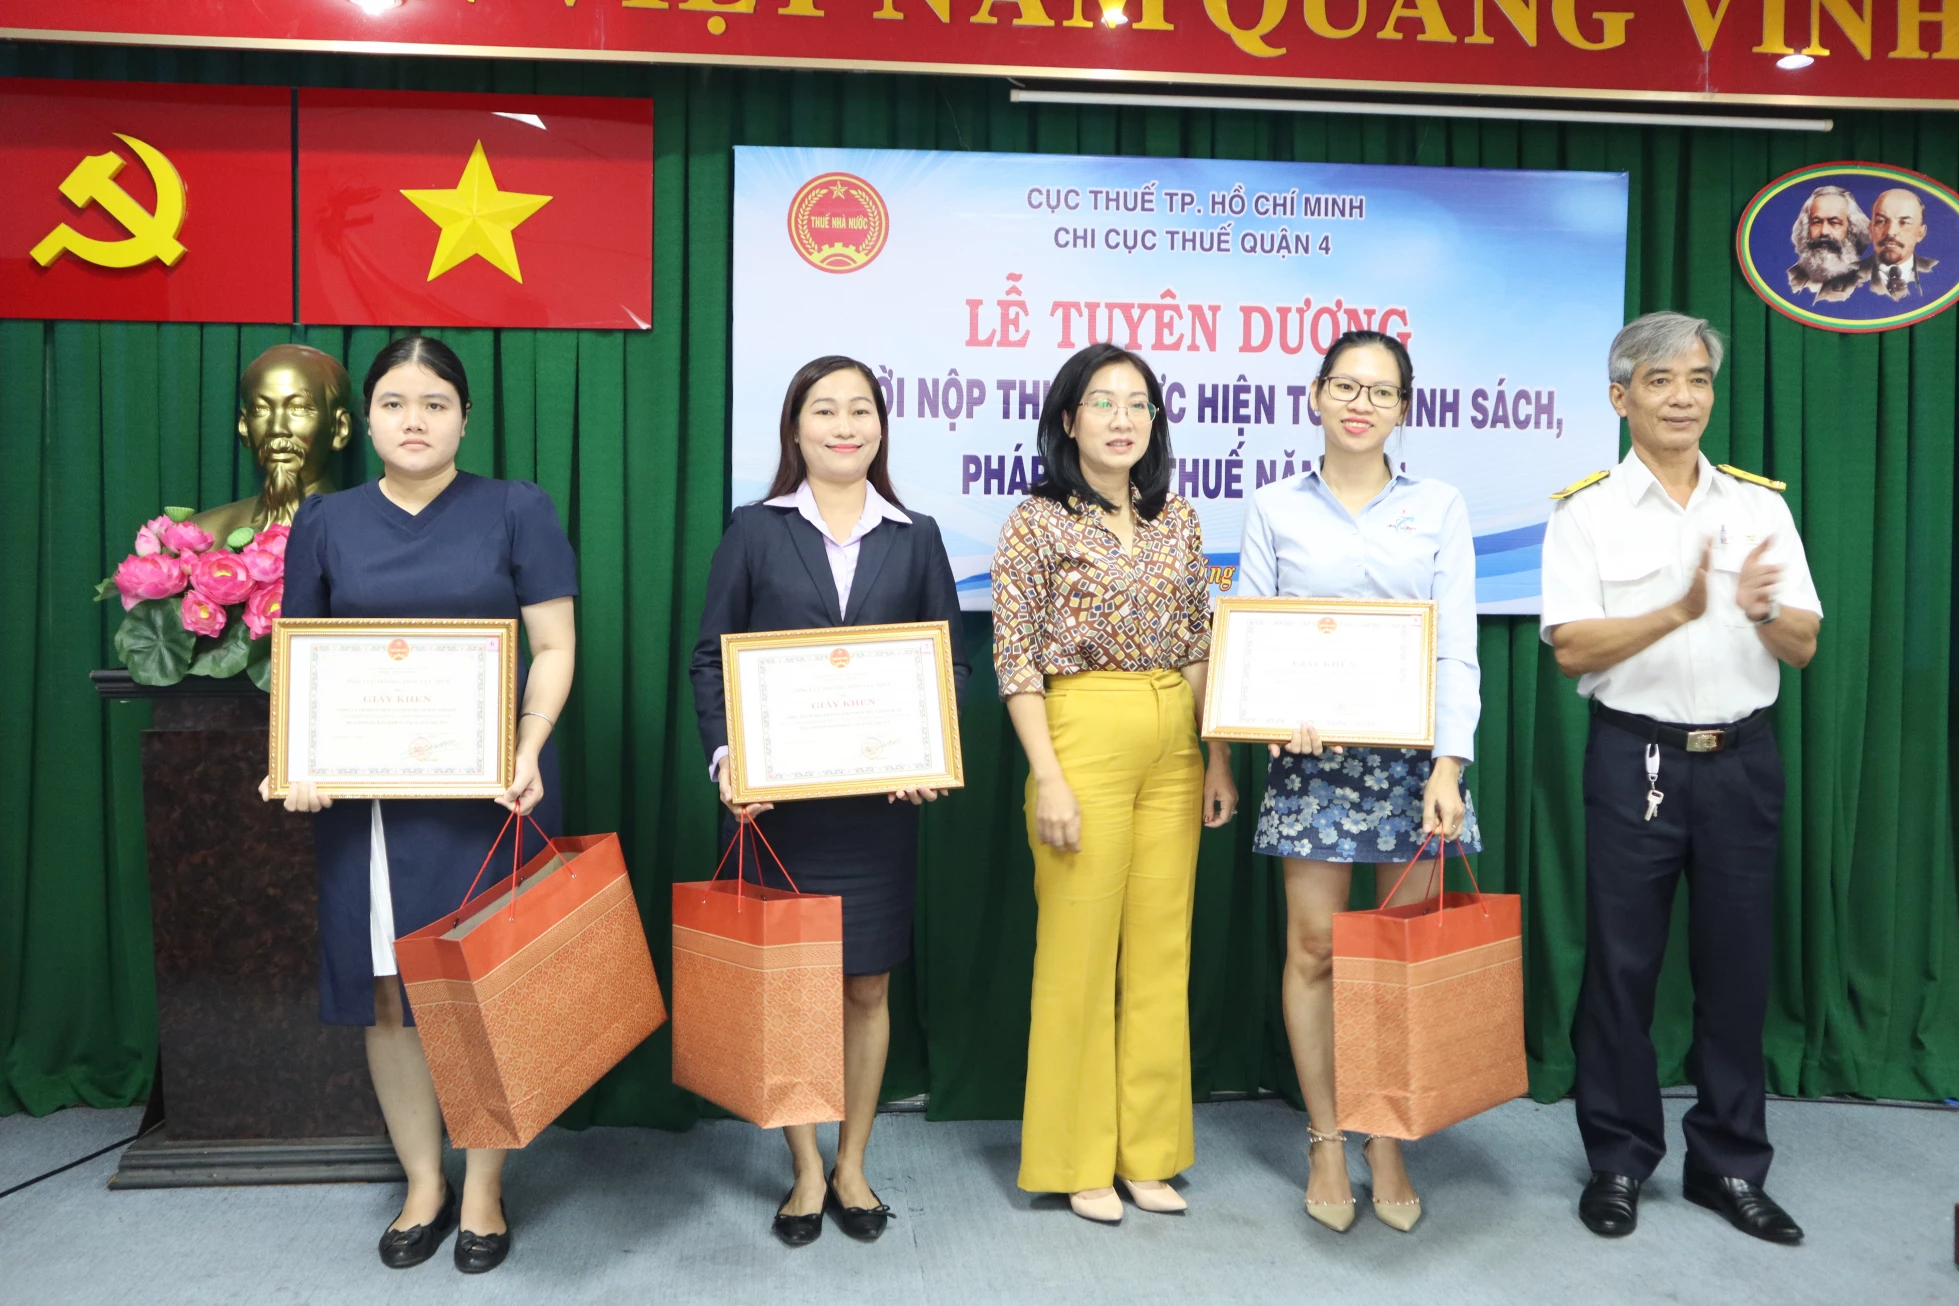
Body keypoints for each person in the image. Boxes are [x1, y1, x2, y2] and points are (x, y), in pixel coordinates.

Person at [265, 335, 579, 1275]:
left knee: (485, 990)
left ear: (465, 418)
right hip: (365, 803)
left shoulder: (516, 508)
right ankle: (423, 1182)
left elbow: (555, 647)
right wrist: (297, 758)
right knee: (390, 994)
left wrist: (524, 745)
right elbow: (300, 660)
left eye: (435, 403)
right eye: (396, 403)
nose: (415, 420)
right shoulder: (326, 521)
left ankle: (483, 1187)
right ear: (366, 421)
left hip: (490, 790)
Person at [1541, 311, 1821, 1246]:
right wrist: (1678, 609)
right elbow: (1571, 648)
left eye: (1697, 379)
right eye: (1659, 381)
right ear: (1619, 398)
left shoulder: (1758, 507)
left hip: (1742, 759)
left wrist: (1761, 607)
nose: (1682, 398)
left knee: (1736, 970)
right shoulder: (1584, 510)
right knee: (1622, 968)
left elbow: (1804, 644)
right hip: (1638, 759)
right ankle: (1617, 1161)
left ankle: (1729, 1167)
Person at [691, 355, 969, 1248]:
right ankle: (805, 1169)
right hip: (781, 810)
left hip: (878, 809)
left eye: (860, 410)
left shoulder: (915, 534)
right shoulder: (754, 530)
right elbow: (711, 658)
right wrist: (729, 759)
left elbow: (950, 662)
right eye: (824, 410)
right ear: (795, 429)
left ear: (881, 428)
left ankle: (854, 1162)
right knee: (792, 990)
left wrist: (930, 747)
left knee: (865, 984)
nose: (843, 425)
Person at [1233, 329, 1481, 1235]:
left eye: (1380, 391)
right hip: (1313, 760)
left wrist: (1449, 764)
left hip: (1415, 764)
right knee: (1315, 950)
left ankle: (1385, 1134)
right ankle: (1327, 1135)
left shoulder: (1440, 506)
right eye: (1344, 384)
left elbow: (1456, 643)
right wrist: (1268, 719)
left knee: (1397, 953)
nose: (1360, 403)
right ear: (1314, 394)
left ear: (1403, 409)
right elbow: (1249, 637)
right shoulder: (1273, 507)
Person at [993, 341, 1237, 1225]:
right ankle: (1074, 1154)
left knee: (1161, 951)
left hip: (1175, 735)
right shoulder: (1036, 521)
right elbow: (1014, 658)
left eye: (1138, 403)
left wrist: (1216, 756)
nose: (1123, 418)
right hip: (1080, 735)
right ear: (1068, 419)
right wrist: (1047, 777)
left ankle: (1148, 1151)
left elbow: (1200, 641)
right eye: (1103, 402)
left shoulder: (1179, 518)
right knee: (1078, 956)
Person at [191, 343, 354, 541]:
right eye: (261, 409)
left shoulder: (370, 536)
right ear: (244, 426)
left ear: (339, 428)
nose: (277, 428)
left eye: (299, 408)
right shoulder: (202, 538)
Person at [1784, 185, 1871, 303]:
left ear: (1851, 230)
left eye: (1834, 222)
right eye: (1817, 222)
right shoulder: (1790, 277)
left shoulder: (1865, 282)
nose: (1824, 231)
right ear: (1806, 228)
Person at [1865, 187, 1940, 302]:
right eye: (1881, 221)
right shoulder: (1846, 279)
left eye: (1904, 222)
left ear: (1920, 233)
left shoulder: (1939, 273)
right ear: (1871, 229)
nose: (1890, 231)